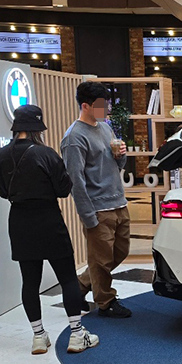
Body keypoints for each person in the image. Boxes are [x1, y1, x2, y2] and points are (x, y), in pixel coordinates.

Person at [0, 105, 98, 354]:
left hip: (19, 221)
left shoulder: (0, 156)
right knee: (67, 278)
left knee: (29, 282)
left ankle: (39, 336)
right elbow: (63, 189)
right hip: (49, 220)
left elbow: (0, 189)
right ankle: (77, 334)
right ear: (37, 128)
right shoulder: (46, 154)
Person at [61, 81, 132, 318]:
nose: (106, 109)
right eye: (101, 105)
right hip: (98, 208)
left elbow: (116, 164)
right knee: (100, 260)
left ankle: (80, 286)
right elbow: (75, 181)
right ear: (85, 106)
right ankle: (105, 301)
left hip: (118, 202)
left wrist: (121, 156)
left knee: (119, 252)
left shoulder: (105, 128)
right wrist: (88, 216)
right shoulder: (74, 138)